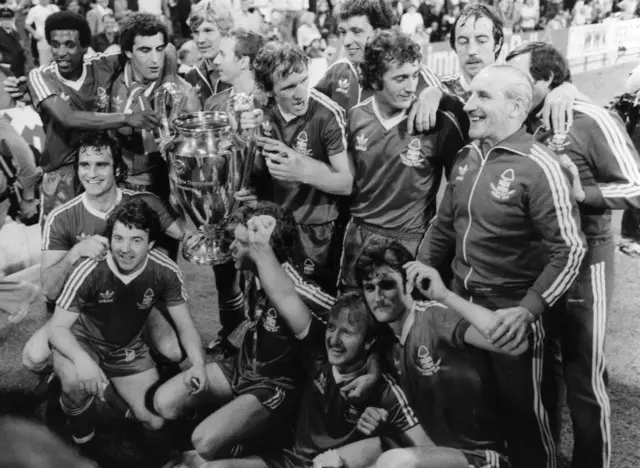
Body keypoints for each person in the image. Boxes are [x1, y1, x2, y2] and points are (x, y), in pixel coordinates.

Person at [417, 64, 586, 468]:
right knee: (475, 412)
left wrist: (528, 309)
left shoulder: (540, 167)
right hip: (461, 308)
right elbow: (444, 225)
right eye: (471, 95)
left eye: (482, 97)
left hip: (511, 319)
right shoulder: (465, 156)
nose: (470, 105)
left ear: (516, 106)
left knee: (527, 422)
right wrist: (421, 266)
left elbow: (571, 250)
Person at [508, 41, 640, 468]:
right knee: (543, 373)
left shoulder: (593, 118)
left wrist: (586, 193)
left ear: (546, 79)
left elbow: (637, 186)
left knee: (584, 379)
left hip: (587, 264)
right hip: (539, 264)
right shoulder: (521, 121)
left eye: (522, 77)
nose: (513, 85)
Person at [152, 202, 339, 465]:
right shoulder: (251, 273)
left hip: (273, 386)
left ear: (265, 247)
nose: (231, 247)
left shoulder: (298, 290)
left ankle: (263, 443)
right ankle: (228, 430)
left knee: (203, 443)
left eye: (240, 242)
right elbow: (250, 320)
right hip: (242, 366)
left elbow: (338, 316)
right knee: (164, 402)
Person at [23, 132, 186, 382]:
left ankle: (135, 358)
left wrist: (186, 189)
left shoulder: (144, 203)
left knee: (174, 353)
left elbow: (190, 237)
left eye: (101, 165)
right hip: (86, 310)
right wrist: (75, 253)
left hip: (137, 302)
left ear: (117, 169)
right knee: (34, 358)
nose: (92, 173)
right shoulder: (62, 217)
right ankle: (75, 362)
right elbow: (51, 292)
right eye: (85, 165)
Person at [352, 241, 529, 468]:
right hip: (437, 453)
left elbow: (515, 344)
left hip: (483, 457)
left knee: (393, 462)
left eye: (387, 285)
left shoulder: (435, 317)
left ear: (408, 284)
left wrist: (445, 295)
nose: (377, 297)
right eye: (369, 288)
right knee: (344, 459)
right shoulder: (389, 343)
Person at [47, 196, 206, 446]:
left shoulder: (166, 271)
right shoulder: (90, 269)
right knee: (74, 381)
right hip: (81, 341)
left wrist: (198, 364)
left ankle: (108, 391)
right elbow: (56, 329)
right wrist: (83, 360)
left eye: (136, 240)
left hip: (125, 347)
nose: (125, 249)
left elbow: (186, 326)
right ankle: (80, 432)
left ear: (151, 243)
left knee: (155, 421)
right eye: (118, 238)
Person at [212, 290, 431, 468]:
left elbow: (430, 454)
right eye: (331, 327)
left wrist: (387, 434)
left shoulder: (387, 393)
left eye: (347, 333)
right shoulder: (317, 353)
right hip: (286, 461)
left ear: (368, 341)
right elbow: (285, 295)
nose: (334, 340)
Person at [337, 30, 467, 290]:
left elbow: (461, 188)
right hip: (359, 236)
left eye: (414, 76)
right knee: (352, 318)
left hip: (409, 241)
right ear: (375, 80)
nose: (411, 87)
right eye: (400, 78)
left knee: (405, 327)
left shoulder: (436, 122)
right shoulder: (354, 118)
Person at [21, 11, 161, 225]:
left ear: (85, 47)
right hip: (62, 173)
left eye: (70, 45)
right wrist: (126, 118)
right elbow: (67, 118)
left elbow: (149, 49)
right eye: (55, 45)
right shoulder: (41, 76)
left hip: (101, 168)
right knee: (60, 244)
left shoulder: (101, 65)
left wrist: (168, 75)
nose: (61, 53)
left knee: (102, 242)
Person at [251, 41, 351, 293]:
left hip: (316, 231)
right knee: (269, 300)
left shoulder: (327, 114)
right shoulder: (259, 113)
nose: (300, 93)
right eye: (288, 87)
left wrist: (303, 171)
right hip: (273, 224)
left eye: (304, 81)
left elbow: (347, 184)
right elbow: (259, 171)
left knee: (312, 302)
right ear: (269, 90)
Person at [444, 4, 587, 133]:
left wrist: (565, 89)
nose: (472, 50)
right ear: (454, 46)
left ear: (498, 43)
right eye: (463, 42)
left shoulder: (515, 85)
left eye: (481, 40)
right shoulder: (441, 89)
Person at [315, 0, 444, 135]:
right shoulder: (337, 71)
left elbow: (442, 92)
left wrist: (432, 96)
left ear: (379, 33)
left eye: (357, 31)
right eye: (342, 32)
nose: (347, 42)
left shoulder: (412, 72)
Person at [185, 0, 235, 108]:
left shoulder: (240, 72)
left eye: (208, 30)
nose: (200, 40)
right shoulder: (192, 76)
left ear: (225, 32)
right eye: (196, 32)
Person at [24, 0, 59, 66]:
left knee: (57, 61)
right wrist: (35, 33)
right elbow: (27, 25)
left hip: (56, 38)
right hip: (43, 39)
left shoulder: (55, 8)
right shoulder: (34, 10)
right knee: (44, 63)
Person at [0, 6, 26, 77]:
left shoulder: (15, 32)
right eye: (4, 19)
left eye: (9, 19)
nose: (7, 22)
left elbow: (21, 45)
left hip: (19, 66)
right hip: (6, 67)